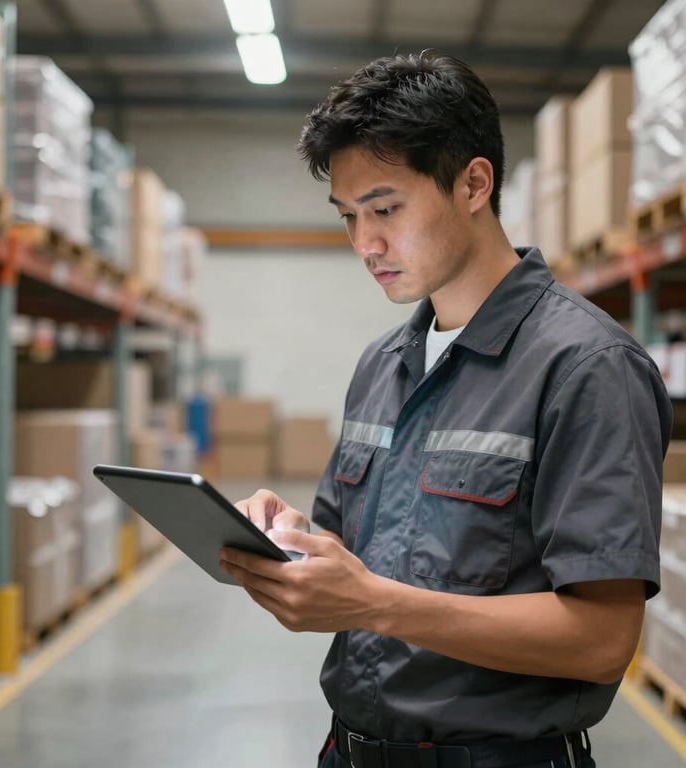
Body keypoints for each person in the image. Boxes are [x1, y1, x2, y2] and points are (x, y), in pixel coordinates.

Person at [218, 50, 672, 768]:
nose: (366, 244)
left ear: (473, 184)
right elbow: (355, 563)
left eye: (386, 209)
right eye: (348, 217)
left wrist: (372, 602)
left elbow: (602, 640)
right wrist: (289, 541)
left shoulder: (584, 367)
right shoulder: (382, 364)